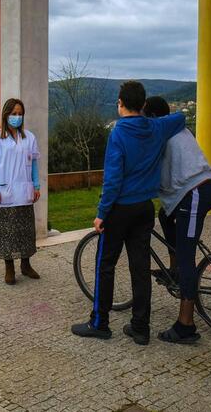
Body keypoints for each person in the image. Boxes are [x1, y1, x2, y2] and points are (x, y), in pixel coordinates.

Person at [71, 81, 185, 345]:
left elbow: (112, 179)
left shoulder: (118, 133)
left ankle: (99, 323)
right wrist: (155, 119)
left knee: (105, 265)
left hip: (120, 209)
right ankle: (140, 328)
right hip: (145, 208)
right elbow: (180, 117)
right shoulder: (157, 127)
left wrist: (102, 213)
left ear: (120, 104)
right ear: (144, 105)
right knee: (141, 268)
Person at [143, 96, 211, 344]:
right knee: (165, 215)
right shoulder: (177, 129)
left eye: (146, 117)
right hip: (192, 191)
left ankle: (185, 324)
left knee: (189, 255)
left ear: (154, 118)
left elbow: (152, 173)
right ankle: (175, 268)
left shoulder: (162, 135)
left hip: (195, 191)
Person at [0, 98, 42, 285]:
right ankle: (9, 268)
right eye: (13, 113)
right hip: (4, 192)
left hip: (24, 191)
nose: (17, 117)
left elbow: (33, 164)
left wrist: (36, 186)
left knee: (25, 231)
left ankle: (26, 265)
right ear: (6, 115)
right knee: (6, 232)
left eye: (20, 114)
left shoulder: (29, 137)